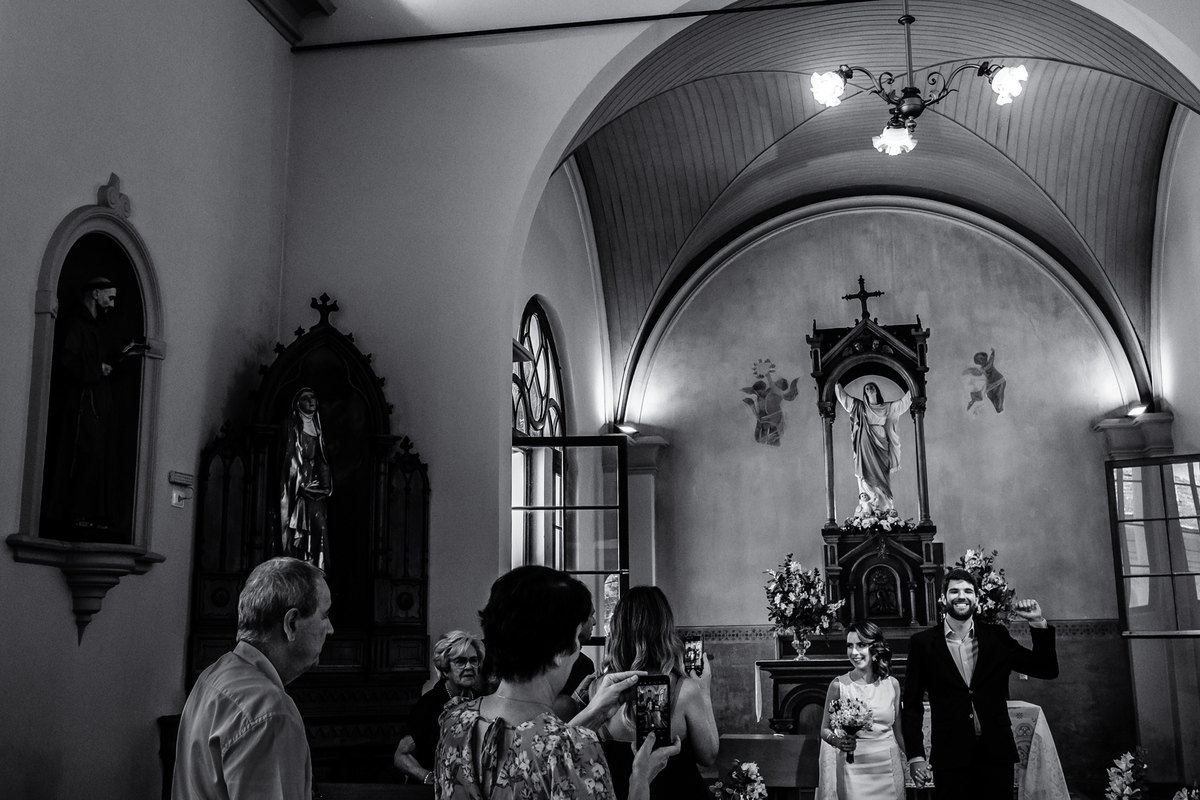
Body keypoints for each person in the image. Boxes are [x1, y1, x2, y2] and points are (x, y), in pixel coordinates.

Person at [434, 566, 679, 799]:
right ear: (559, 652)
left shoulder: (455, 721)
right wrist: (640, 778)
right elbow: (553, 747)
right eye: (577, 639)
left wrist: (595, 713)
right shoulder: (577, 750)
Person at [173, 557, 334, 800]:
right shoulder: (270, 711)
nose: (330, 629)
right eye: (325, 615)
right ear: (291, 624)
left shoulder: (212, 677)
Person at [902, 568, 1058, 799]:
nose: (961, 596)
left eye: (968, 591)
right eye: (954, 591)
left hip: (996, 752)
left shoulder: (996, 637)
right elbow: (912, 704)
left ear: (976, 598)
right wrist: (916, 756)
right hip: (950, 755)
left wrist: (1037, 622)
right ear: (943, 598)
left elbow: (1045, 669)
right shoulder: (922, 643)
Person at [599, 586, 719, 800]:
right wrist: (704, 690)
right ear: (664, 629)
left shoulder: (599, 689)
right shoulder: (685, 691)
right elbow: (708, 755)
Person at [44, 276, 142, 533]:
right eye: (109, 297)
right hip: (80, 407)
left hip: (96, 405)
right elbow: (66, 361)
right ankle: (74, 514)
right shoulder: (74, 324)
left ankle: (92, 513)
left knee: (97, 457)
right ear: (95, 293)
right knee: (83, 455)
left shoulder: (95, 328)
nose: (111, 303)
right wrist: (96, 368)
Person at [816, 621, 906, 800]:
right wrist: (839, 742)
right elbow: (824, 730)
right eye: (850, 646)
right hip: (853, 769)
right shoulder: (839, 685)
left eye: (861, 645)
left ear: (875, 649)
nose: (854, 652)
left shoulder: (892, 685)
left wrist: (915, 760)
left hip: (887, 766)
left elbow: (899, 732)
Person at [393, 630, 485, 785]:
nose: (469, 667)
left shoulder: (483, 702)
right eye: (460, 661)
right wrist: (428, 778)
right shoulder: (429, 705)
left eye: (474, 660)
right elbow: (401, 756)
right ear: (444, 669)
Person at [835, 382, 912, 512]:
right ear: (864, 393)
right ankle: (867, 506)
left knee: (883, 474)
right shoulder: (860, 407)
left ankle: (885, 507)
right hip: (865, 445)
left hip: (881, 444)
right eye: (866, 388)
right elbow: (844, 399)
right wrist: (835, 382)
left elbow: (903, 404)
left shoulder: (886, 407)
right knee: (865, 475)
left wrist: (913, 387)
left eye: (872, 387)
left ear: (877, 390)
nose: (869, 389)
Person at [280, 387, 332, 568]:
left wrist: (324, 485)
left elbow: (321, 460)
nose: (311, 401)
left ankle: (316, 569)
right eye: (305, 398)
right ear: (297, 404)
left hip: (313, 487)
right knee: (298, 528)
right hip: (295, 487)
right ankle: (298, 568)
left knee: (320, 525)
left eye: (313, 397)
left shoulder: (317, 428)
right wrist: (301, 484)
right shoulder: (290, 426)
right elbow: (288, 460)